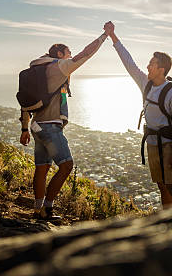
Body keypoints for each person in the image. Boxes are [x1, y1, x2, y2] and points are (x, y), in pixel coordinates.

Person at [20, 32, 107, 219]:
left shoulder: (38, 70)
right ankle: (48, 209)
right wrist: (104, 36)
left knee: (42, 168)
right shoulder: (58, 67)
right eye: (68, 52)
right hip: (50, 127)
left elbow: (25, 100)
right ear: (59, 54)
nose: (70, 55)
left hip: (37, 126)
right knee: (66, 166)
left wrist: (25, 128)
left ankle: (37, 209)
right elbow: (85, 54)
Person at [103, 21, 172, 208]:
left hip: (167, 146)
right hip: (152, 144)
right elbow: (128, 62)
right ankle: (169, 221)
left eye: (152, 64)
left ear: (161, 69)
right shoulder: (146, 84)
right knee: (162, 187)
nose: (148, 66)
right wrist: (113, 36)